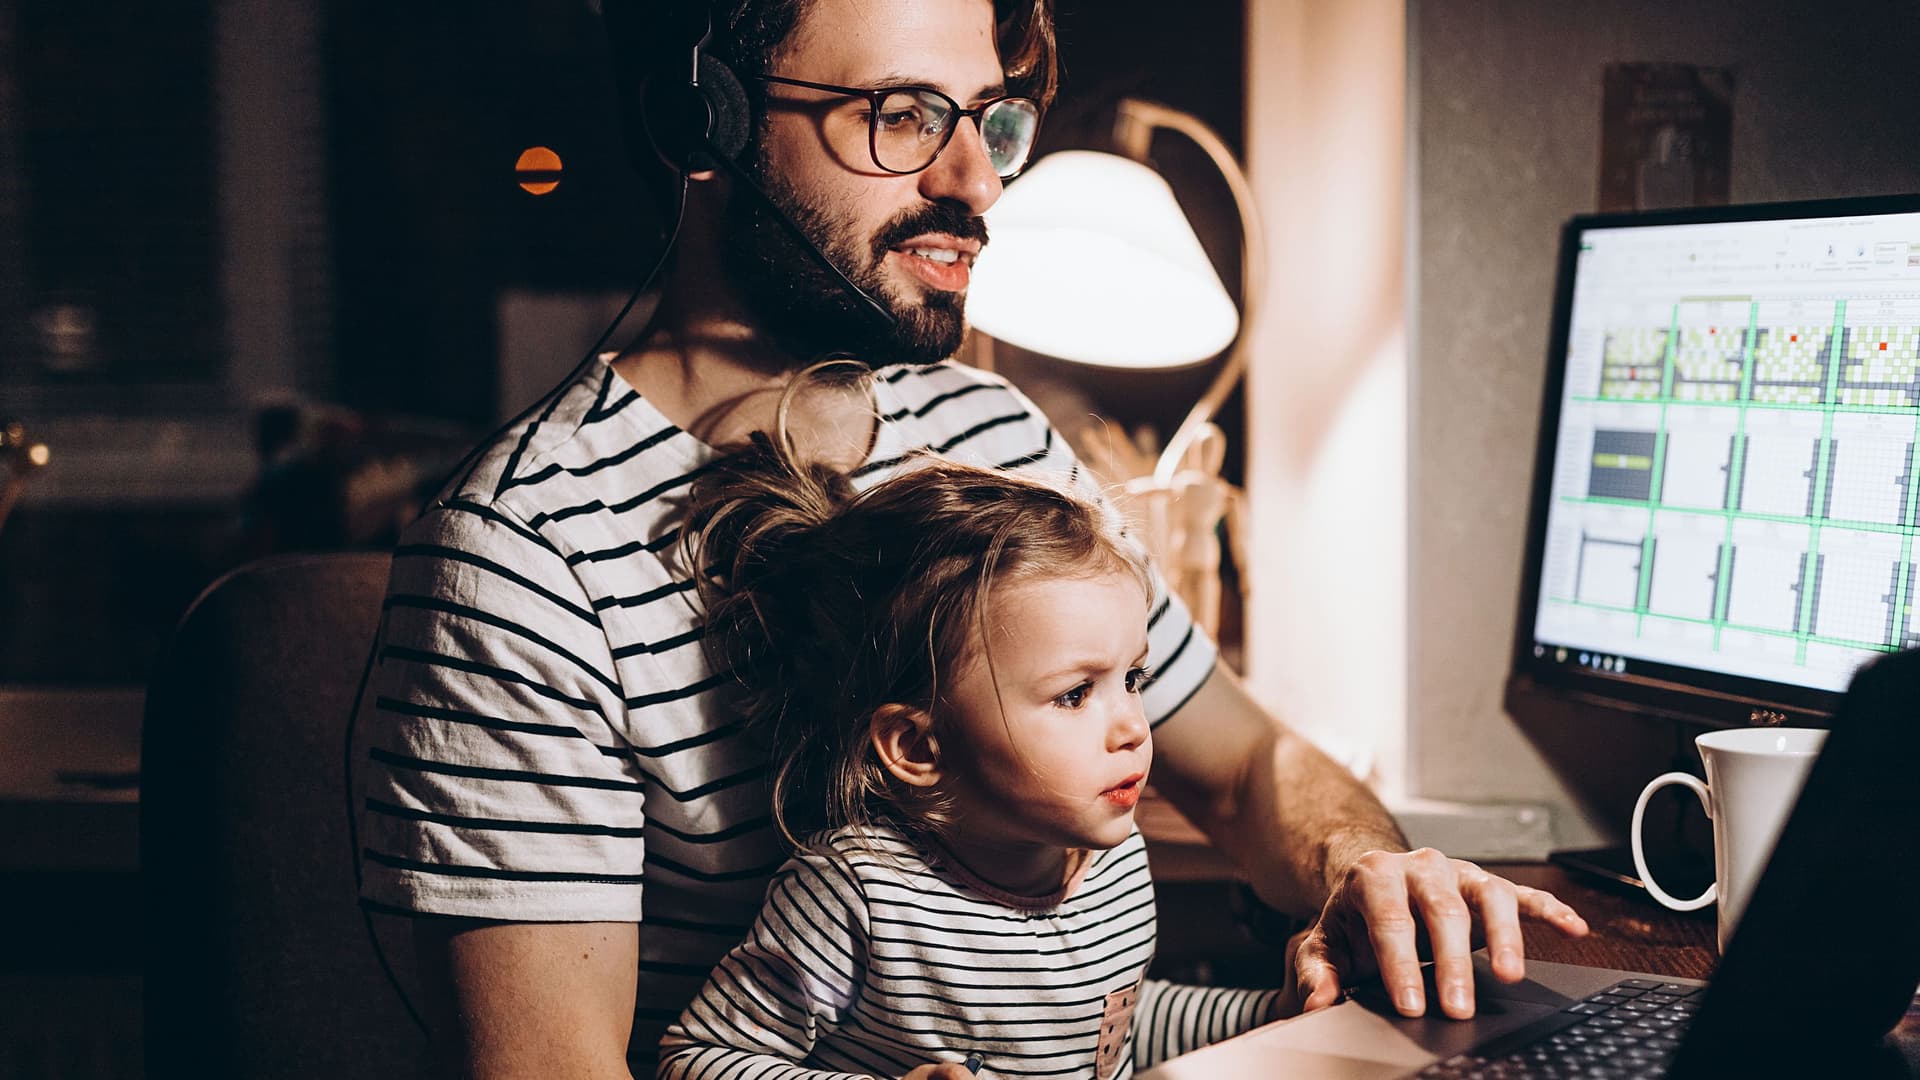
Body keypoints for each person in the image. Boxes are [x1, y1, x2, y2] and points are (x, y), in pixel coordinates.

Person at [353, 1, 1589, 1075]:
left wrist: (1366, 874)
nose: (978, 182)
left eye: (989, 120)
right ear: (702, 126)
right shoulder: (522, 556)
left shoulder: (991, 429)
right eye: (900, 115)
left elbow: (1246, 766)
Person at [657, 436, 1290, 1079]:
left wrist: (1273, 1013)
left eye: (1132, 679)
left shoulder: (1116, 861)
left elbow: (1109, 1028)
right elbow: (698, 1060)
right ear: (917, 747)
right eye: (1075, 694)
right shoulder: (861, 898)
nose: (1132, 726)